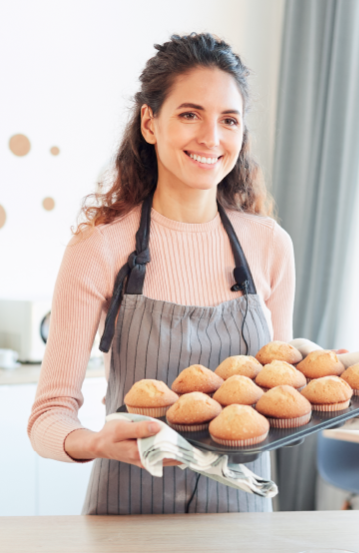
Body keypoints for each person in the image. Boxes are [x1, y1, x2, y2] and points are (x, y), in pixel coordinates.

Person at [27, 33, 295, 515]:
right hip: (129, 515)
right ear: (150, 123)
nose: (211, 138)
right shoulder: (100, 248)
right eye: (190, 114)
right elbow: (48, 417)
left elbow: (280, 387)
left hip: (244, 521)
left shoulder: (270, 244)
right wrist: (96, 441)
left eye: (228, 120)